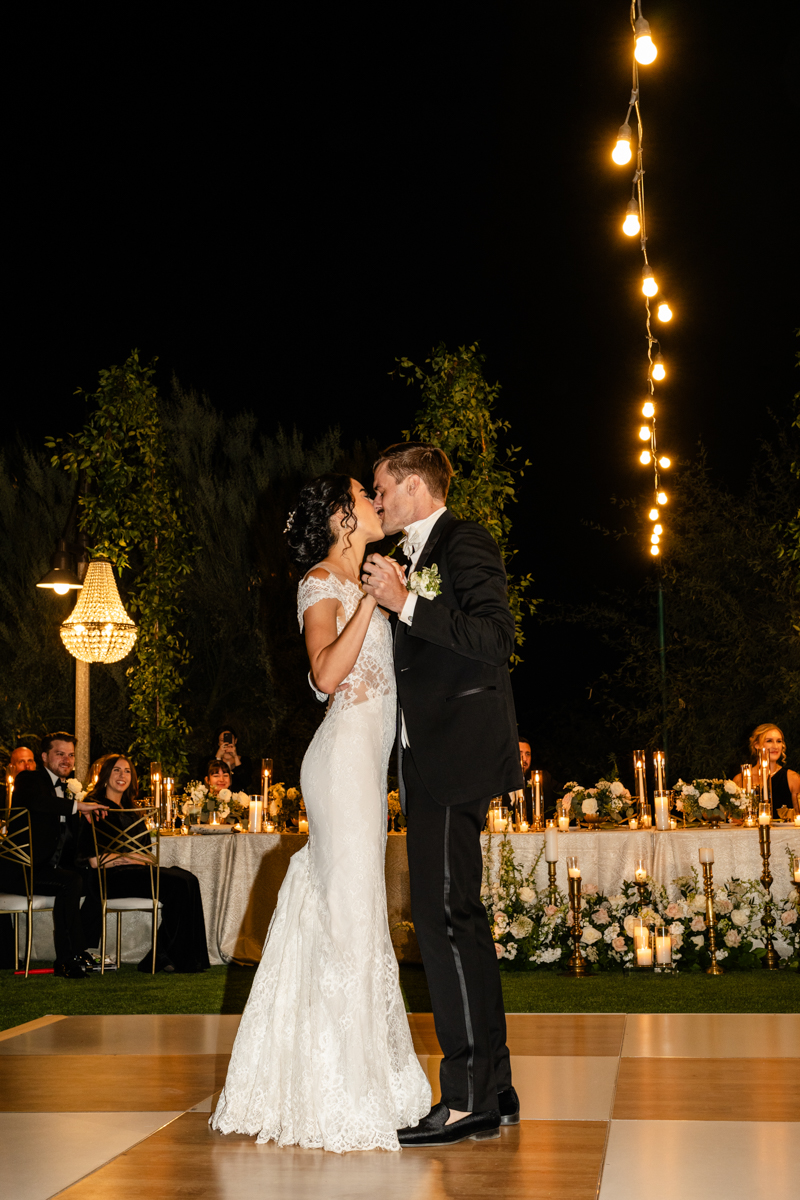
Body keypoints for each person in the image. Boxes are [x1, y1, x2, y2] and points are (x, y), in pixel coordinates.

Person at [211, 474, 430, 1152]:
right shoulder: (319, 583)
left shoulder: (372, 584)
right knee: (350, 919)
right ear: (342, 517)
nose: (375, 504)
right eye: (366, 497)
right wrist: (368, 600)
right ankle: (344, 1088)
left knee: (351, 917)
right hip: (337, 768)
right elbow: (325, 677)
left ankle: (343, 1075)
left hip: (365, 771)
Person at [361, 442, 522, 1148]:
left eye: (382, 488)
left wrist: (407, 602)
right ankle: (495, 1084)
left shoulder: (463, 539)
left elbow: (495, 637)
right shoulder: (417, 550)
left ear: (416, 486)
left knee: (443, 918)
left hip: (453, 755)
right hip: (427, 757)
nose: (377, 500)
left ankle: (463, 1099)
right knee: (460, 917)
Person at [79, 754, 210, 973]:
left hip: (135, 873)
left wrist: (124, 856)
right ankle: (163, 956)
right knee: (177, 885)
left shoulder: (133, 811)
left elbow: (147, 856)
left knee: (188, 879)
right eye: (117, 770)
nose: (123, 775)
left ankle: (168, 955)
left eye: (127, 771)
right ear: (105, 775)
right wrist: (128, 857)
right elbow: (95, 861)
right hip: (108, 879)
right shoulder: (94, 808)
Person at [1, 732, 107, 978]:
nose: (67, 760)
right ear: (44, 756)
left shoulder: (68, 789)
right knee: (70, 882)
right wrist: (77, 806)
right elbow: (39, 803)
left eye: (70, 755)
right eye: (60, 754)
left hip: (46, 869)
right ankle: (67, 960)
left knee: (93, 879)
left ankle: (85, 950)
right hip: (19, 870)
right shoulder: (29, 779)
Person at [734, 724, 800, 816]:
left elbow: (798, 815)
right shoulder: (740, 779)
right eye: (769, 741)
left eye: (779, 741)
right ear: (756, 745)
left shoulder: (792, 778)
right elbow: (734, 817)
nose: (775, 746)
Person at [518, 736, 562, 822]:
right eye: (520, 754)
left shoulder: (543, 778)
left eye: (527, 754)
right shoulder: (502, 782)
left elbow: (563, 793)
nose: (524, 759)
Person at [205, 727, 252, 794]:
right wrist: (218, 756)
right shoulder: (209, 760)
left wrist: (235, 757)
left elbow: (246, 781)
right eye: (222, 740)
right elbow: (208, 778)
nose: (226, 742)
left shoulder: (245, 760)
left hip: (239, 798)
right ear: (218, 743)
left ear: (235, 741)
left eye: (229, 739)